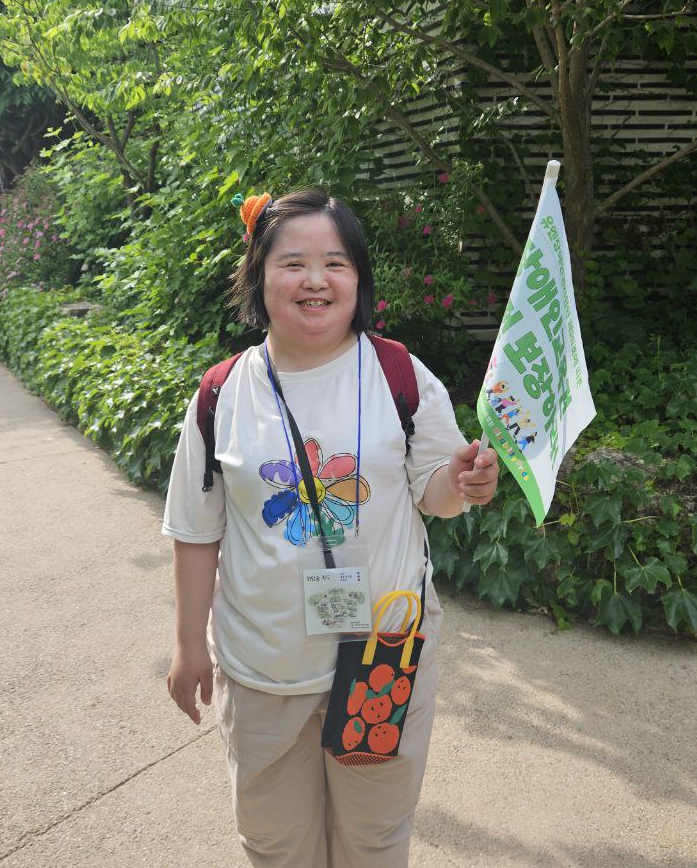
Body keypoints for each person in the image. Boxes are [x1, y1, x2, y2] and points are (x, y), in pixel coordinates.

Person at [162, 188, 499, 868]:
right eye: (293, 263)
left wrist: (462, 481)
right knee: (276, 846)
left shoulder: (397, 373)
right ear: (258, 276)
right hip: (263, 668)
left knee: (372, 843)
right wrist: (187, 649)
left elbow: (434, 490)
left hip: (382, 656)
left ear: (359, 279)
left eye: (335, 263)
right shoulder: (224, 393)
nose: (315, 280)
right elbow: (196, 531)